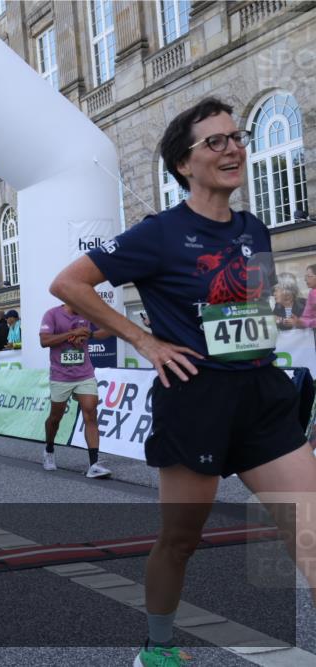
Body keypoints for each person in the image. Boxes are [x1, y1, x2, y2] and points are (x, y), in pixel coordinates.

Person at [49, 97, 316, 666]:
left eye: (237, 137)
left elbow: (245, 310)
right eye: (215, 142)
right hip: (196, 396)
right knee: (180, 540)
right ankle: (158, 647)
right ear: (183, 164)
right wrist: (145, 341)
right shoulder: (160, 232)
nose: (233, 149)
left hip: (262, 394)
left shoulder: (254, 229)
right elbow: (69, 283)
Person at [38, 303, 112, 478]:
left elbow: (108, 330)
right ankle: (49, 449)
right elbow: (44, 341)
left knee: (90, 412)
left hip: (84, 374)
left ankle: (94, 464)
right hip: (60, 376)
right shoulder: (52, 314)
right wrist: (71, 334)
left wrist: (89, 334)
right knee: (55, 418)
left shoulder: (88, 311)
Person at [295, 264, 316, 329]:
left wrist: (301, 322)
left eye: (308, 276)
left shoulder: (313, 293)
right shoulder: (312, 292)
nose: (305, 279)